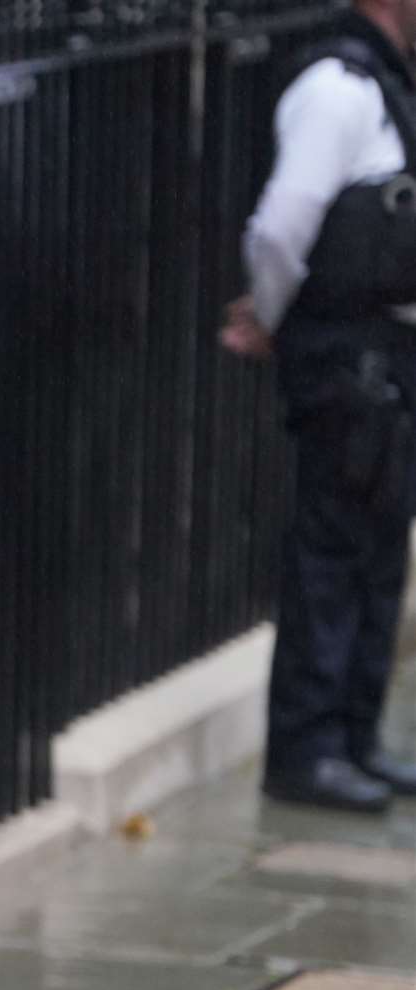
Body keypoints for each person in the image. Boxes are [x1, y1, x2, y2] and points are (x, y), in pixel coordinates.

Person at [222, 0, 416, 812]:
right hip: (346, 360)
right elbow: (281, 227)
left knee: (378, 552)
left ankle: (354, 737)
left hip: (390, 357)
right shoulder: (339, 87)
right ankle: (307, 749)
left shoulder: (386, 86)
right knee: (332, 552)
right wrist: (266, 316)